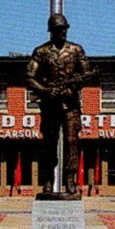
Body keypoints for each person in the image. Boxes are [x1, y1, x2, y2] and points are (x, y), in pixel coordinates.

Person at [25, 13, 93, 197]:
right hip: (50, 106)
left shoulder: (76, 50)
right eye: (58, 30)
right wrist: (46, 91)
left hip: (70, 105)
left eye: (64, 29)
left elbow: (87, 74)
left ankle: (70, 181)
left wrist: (77, 82)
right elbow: (30, 78)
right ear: (51, 31)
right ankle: (48, 180)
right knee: (49, 143)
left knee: (72, 142)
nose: (62, 32)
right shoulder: (41, 52)